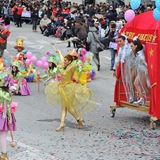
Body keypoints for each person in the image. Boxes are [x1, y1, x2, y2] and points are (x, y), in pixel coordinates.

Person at [45, 54, 95, 132]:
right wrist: (59, 52)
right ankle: (62, 124)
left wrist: (79, 64)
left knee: (68, 107)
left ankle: (79, 119)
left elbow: (75, 66)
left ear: (69, 61)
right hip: (62, 88)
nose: (63, 61)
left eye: (65, 60)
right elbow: (62, 59)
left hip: (69, 88)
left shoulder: (71, 67)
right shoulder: (63, 67)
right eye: (64, 60)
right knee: (63, 107)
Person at [113, 35, 136, 103]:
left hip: (134, 65)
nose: (119, 42)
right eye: (118, 41)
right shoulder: (121, 49)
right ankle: (133, 95)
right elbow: (118, 59)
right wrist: (114, 69)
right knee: (128, 81)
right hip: (127, 66)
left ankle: (136, 96)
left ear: (124, 40)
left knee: (132, 80)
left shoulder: (130, 46)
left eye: (120, 41)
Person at [0, 72, 17, 160]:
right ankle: (4, 155)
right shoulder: (6, 94)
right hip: (3, 117)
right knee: (3, 136)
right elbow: (8, 108)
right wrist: (10, 119)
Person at [131, 37, 150, 105]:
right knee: (136, 83)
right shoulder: (137, 53)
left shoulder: (141, 55)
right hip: (140, 71)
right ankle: (142, 98)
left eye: (132, 46)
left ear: (136, 46)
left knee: (144, 86)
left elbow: (146, 64)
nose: (131, 48)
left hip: (143, 71)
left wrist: (147, 73)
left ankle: (151, 100)